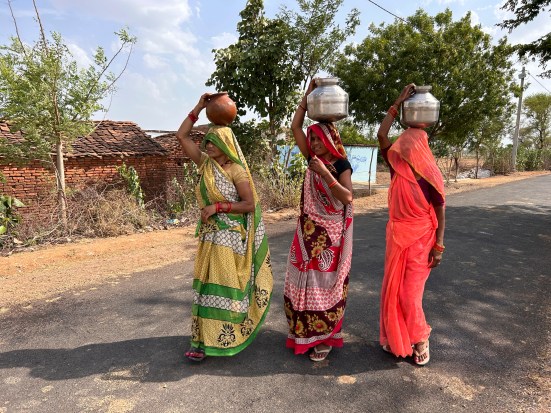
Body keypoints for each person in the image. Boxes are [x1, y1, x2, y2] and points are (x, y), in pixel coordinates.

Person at [175, 93, 273, 362]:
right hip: (209, 237)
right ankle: (201, 341)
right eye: (206, 141)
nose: (207, 145)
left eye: (212, 141)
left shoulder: (235, 171)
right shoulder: (205, 165)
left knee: (222, 288)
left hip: (229, 238)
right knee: (205, 287)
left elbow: (249, 204)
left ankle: (226, 336)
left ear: (225, 143)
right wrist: (198, 107)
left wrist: (217, 208)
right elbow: (182, 136)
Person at [284, 79, 354, 362]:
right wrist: (307, 96)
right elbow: (294, 127)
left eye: (317, 139)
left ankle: (324, 337)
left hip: (330, 236)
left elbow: (347, 197)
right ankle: (303, 334)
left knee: (325, 287)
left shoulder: (340, 164)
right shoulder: (311, 157)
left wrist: (325, 173)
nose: (312, 143)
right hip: (306, 232)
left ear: (329, 141)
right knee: (300, 282)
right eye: (311, 139)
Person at [377, 83, 446, 366]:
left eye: (406, 146)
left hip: (422, 239)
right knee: (393, 289)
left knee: (408, 293)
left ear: (418, 148)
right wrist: (397, 103)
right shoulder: (397, 168)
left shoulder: (430, 174)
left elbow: (441, 211)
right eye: (401, 146)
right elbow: (381, 134)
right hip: (397, 235)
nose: (401, 150)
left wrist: (439, 246)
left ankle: (420, 338)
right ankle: (398, 338)